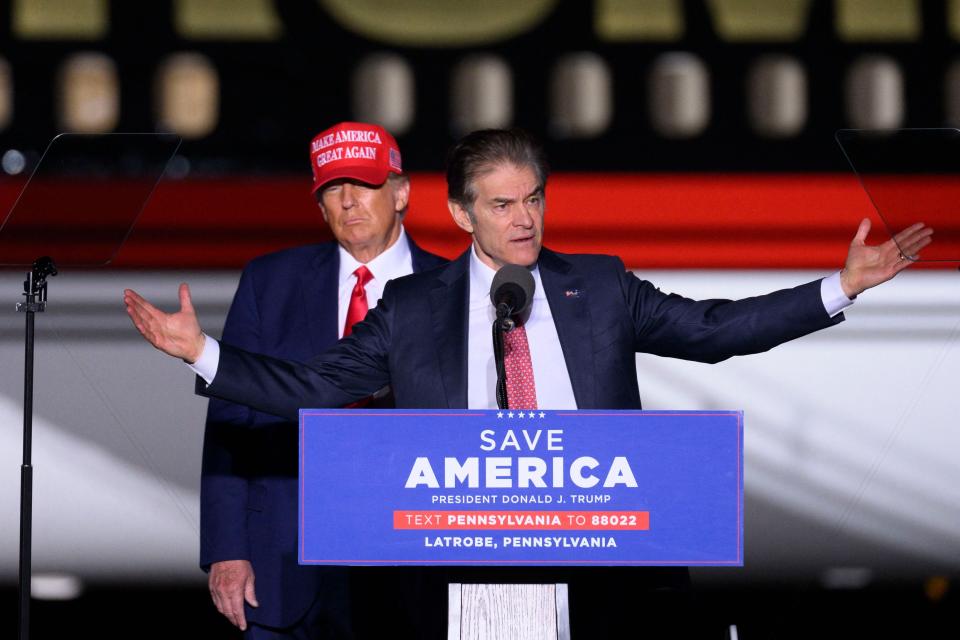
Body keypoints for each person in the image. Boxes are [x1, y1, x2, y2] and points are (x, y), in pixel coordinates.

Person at [125, 128, 932, 636]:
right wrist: (208, 354)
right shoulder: (412, 308)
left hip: (604, 563)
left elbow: (716, 331)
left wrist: (839, 287)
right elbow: (312, 385)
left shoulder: (601, 287)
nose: (524, 220)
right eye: (503, 203)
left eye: (535, 200)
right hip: (457, 569)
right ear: (459, 213)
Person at [200, 121, 446, 639]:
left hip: (412, 561)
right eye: (333, 188)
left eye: (364, 183)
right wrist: (226, 549)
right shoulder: (270, 282)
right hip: (283, 563)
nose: (349, 200)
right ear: (319, 207)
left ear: (402, 193)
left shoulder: (455, 288)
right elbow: (230, 422)